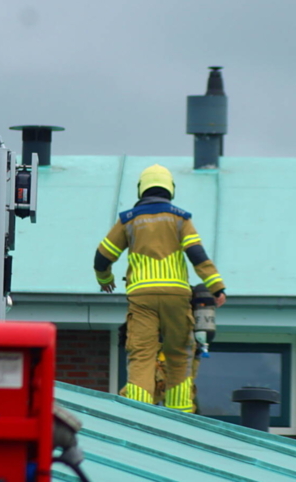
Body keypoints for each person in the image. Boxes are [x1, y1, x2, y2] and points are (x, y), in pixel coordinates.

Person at [95, 164, 226, 412]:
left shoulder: (128, 221)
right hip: (177, 296)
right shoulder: (181, 219)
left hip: (142, 297)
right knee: (179, 354)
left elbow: (102, 257)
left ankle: (138, 416)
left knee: (141, 356)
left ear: (141, 189)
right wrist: (216, 286)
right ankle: (180, 415)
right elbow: (197, 255)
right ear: (170, 189)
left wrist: (105, 280)